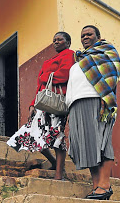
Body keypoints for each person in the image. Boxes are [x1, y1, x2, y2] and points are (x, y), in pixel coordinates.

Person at [7, 32, 75, 180]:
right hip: (43, 103)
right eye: (54, 40)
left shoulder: (70, 54)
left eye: (59, 39)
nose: (56, 42)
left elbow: (64, 74)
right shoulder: (48, 61)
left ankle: (59, 174)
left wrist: (45, 77)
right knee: (33, 135)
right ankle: (54, 162)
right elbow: (40, 86)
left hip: (57, 102)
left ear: (68, 43)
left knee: (57, 136)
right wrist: (32, 104)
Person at [66, 25, 120, 200]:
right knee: (88, 144)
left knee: (102, 141)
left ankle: (105, 185)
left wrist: (104, 98)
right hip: (77, 103)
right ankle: (96, 186)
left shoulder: (106, 52)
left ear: (98, 36)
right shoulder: (80, 59)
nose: (85, 37)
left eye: (89, 34)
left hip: (97, 100)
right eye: (82, 35)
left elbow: (112, 74)